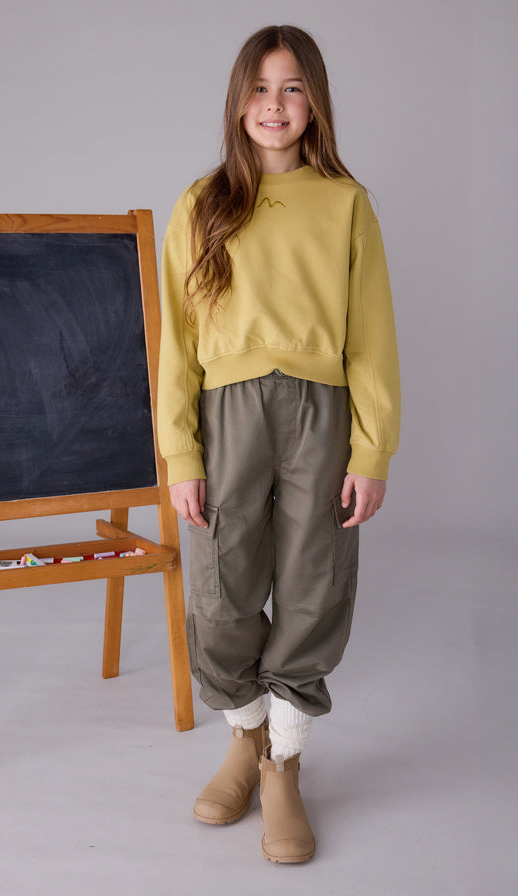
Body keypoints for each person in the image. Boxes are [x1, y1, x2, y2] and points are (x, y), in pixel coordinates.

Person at [157, 24, 401, 864]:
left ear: (315, 101)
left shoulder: (345, 204)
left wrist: (371, 451)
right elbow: (177, 345)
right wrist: (181, 455)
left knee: (312, 581)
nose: (275, 104)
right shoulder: (201, 203)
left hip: (320, 415)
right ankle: (245, 736)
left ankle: (284, 766)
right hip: (225, 415)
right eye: (259, 88)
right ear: (237, 101)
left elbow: (371, 338)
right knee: (220, 588)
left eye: (293, 87)